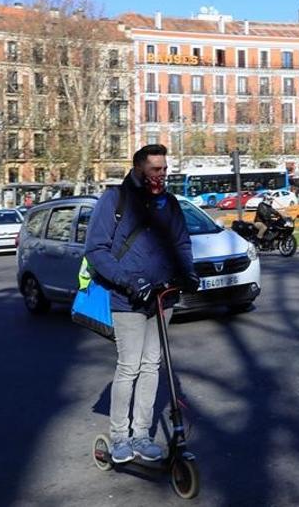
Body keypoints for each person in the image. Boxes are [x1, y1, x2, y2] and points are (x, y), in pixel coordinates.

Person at [84, 144, 199, 465]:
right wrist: (129, 280)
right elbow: (95, 250)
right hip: (129, 297)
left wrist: (188, 273)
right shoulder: (114, 200)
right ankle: (119, 436)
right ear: (138, 169)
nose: (161, 175)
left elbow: (181, 244)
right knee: (130, 366)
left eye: (164, 169)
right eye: (155, 170)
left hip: (163, 297)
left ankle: (141, 435)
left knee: (152, 366)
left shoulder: (170, 203)